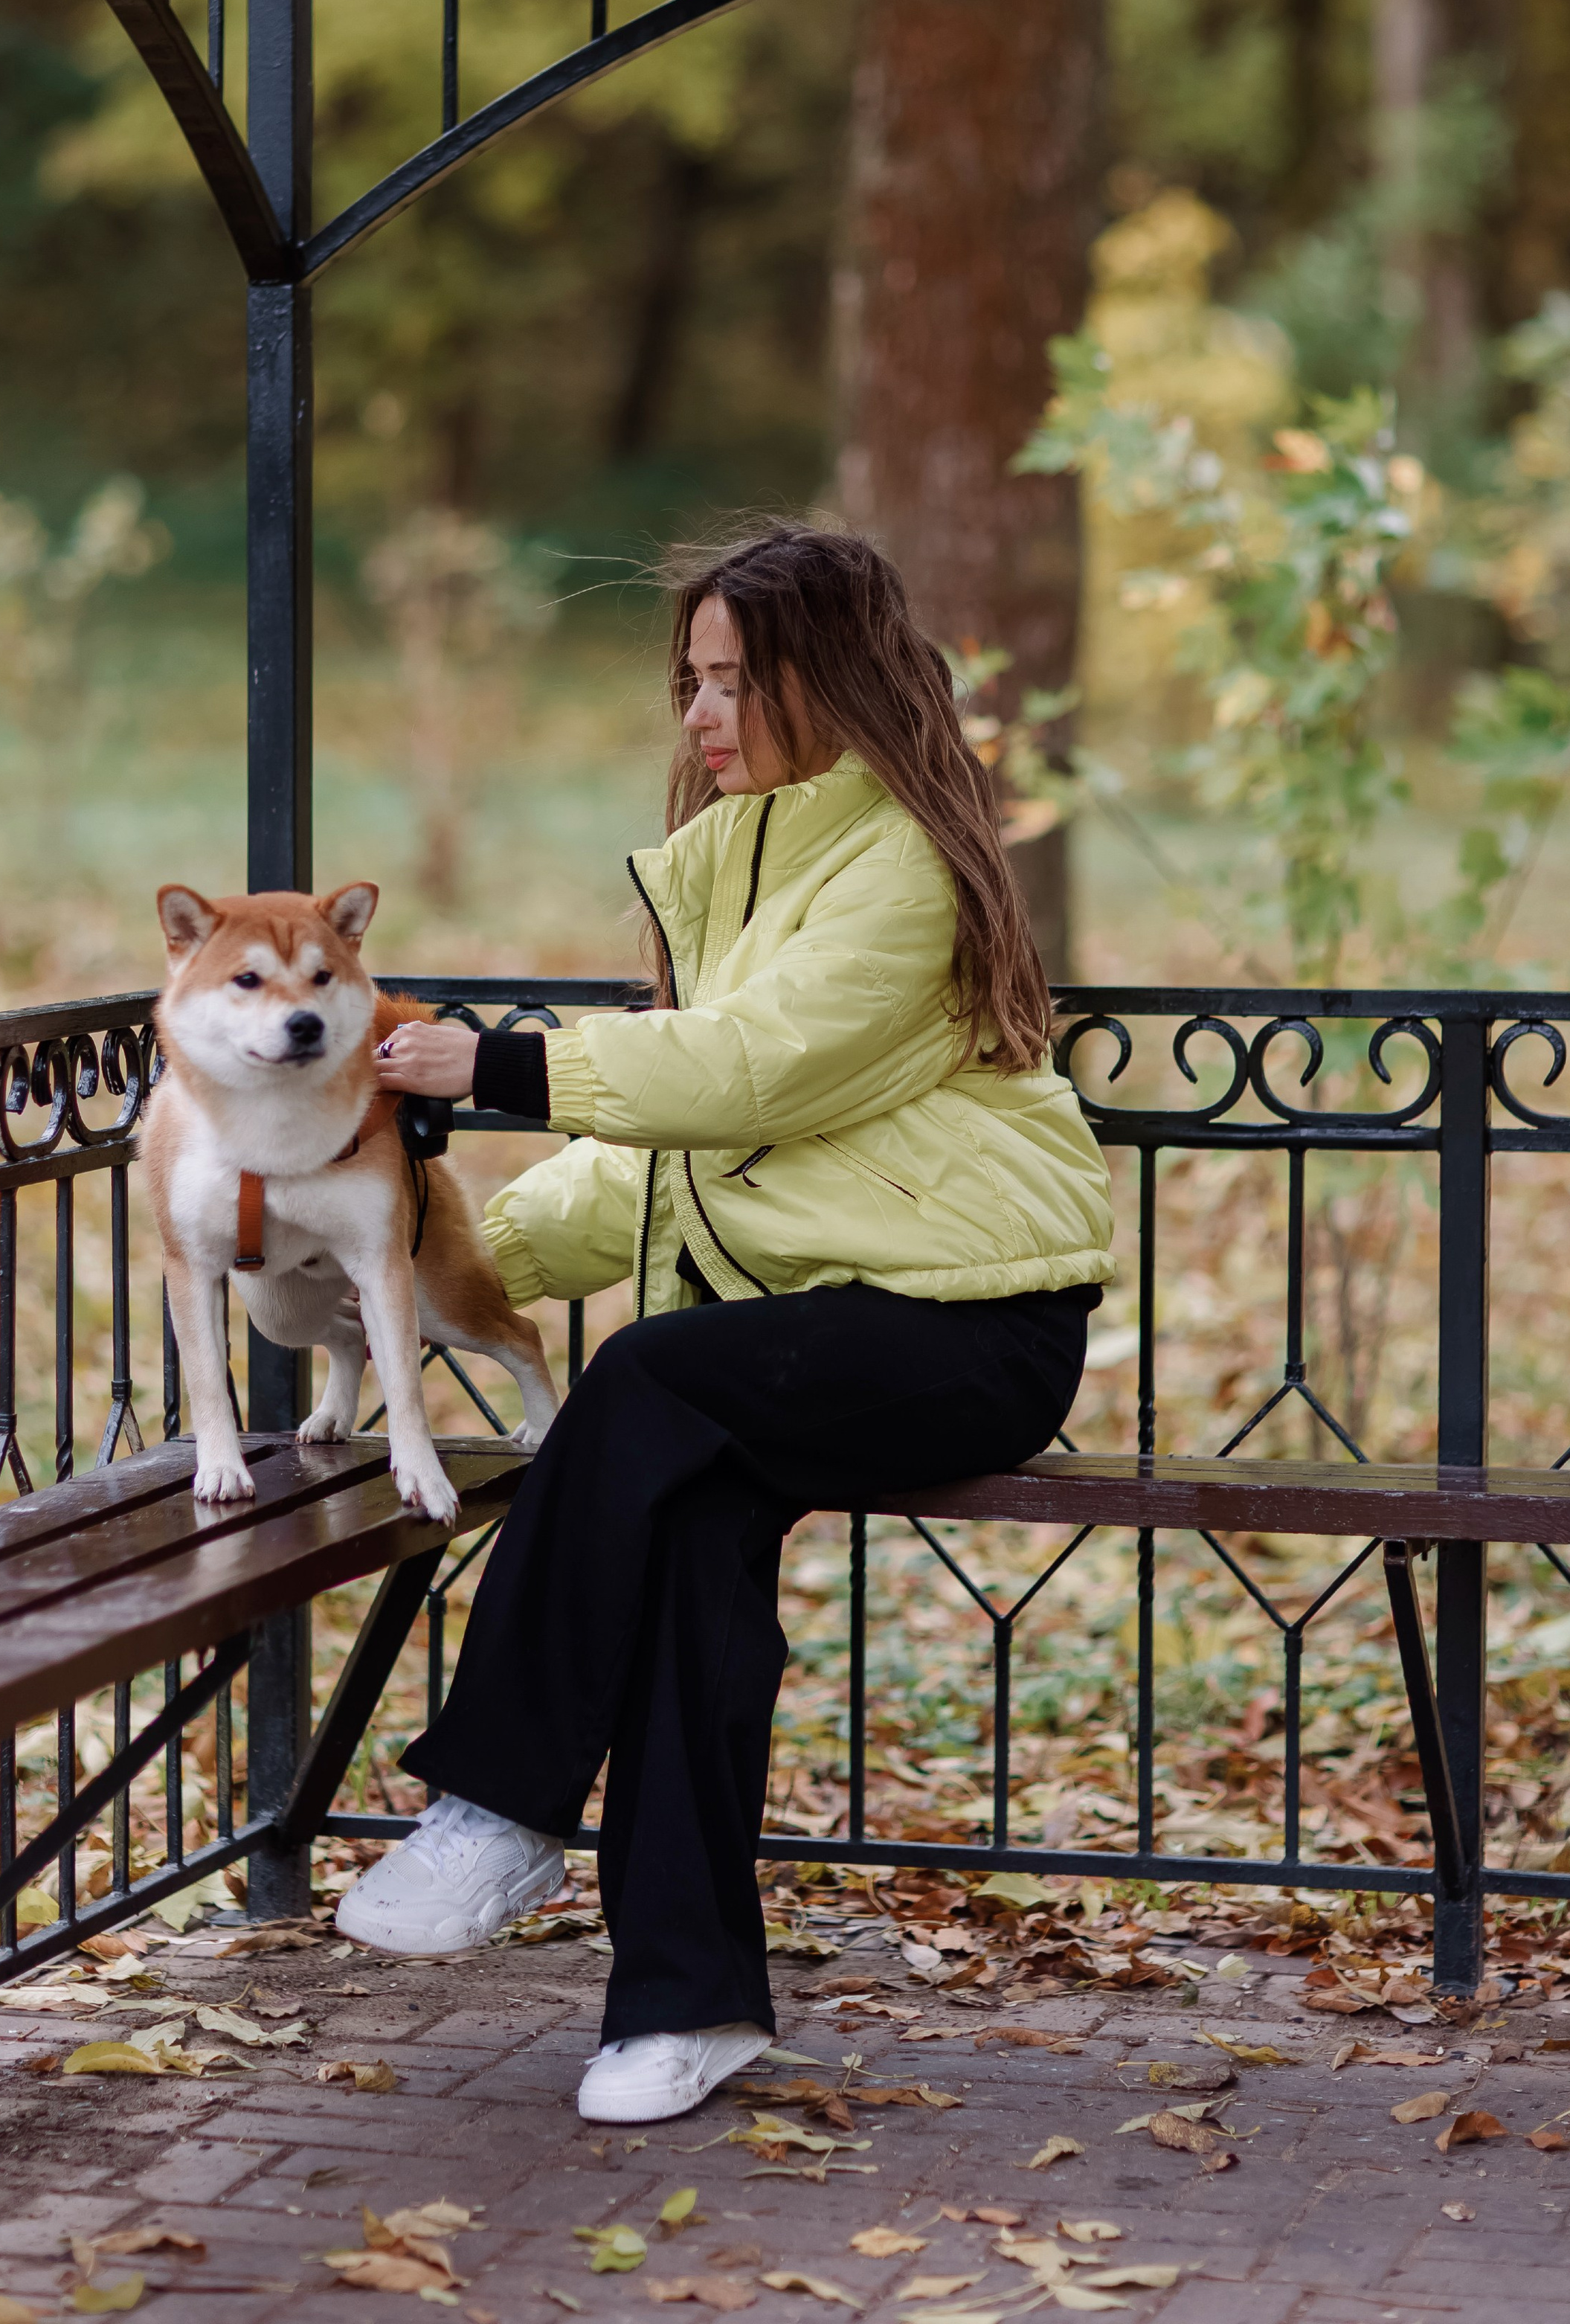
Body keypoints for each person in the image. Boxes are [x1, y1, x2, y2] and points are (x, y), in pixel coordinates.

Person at [343, 521, 1114, 2125]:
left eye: (728, 680)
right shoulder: (747, 869)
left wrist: (493, 1063)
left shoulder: (895, 863)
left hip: (967, 1329)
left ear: (820, 680)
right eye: (686, 681)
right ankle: (683, 2002)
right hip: (804, 1334)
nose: (694, 714)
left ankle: (494, 1800)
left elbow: (753, 1074)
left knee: (643, 1381)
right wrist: (446, 1254)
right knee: (686, 1532)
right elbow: (666, 1148)